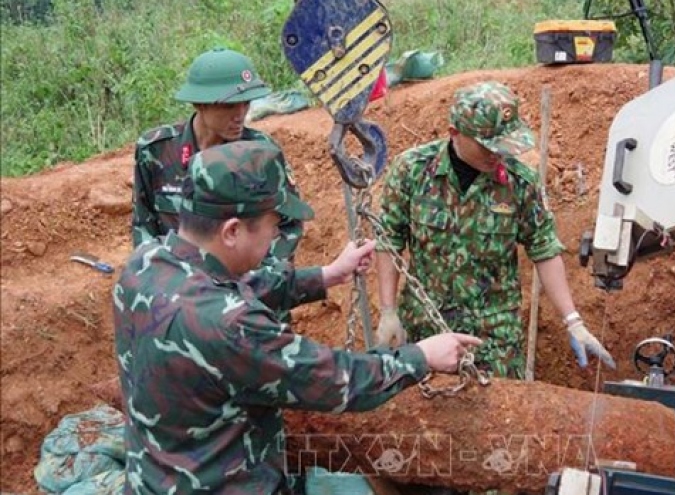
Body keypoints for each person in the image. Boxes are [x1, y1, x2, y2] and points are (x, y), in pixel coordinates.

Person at [113, 139, 481, 493]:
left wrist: (324, 276)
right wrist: (422, 356)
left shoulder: (145, 264)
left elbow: (228, 288)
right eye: (274, 225)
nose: (277, 235)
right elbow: (336, 379)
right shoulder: (233, 328)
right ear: (232, 231)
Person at [374, 80, 615, 379]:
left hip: (494, 342)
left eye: (504, 144)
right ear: (455, 134)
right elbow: (389, 239)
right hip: (426, 331)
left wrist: (573, 321)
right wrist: (387, 310)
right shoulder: (412, 171)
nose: (497, 154)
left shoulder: (520, 182)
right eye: (488, 146)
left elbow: (544, 250)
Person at [131, 47, 305, 269]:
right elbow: (143, 226)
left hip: (245, 289)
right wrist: (163, 281)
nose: (240, 115)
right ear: (199, 104)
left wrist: (261, 280)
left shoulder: (260, 153)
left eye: (246, 104)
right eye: (230, 105)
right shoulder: (156, 151)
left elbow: (289, 225)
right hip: (180, 288)